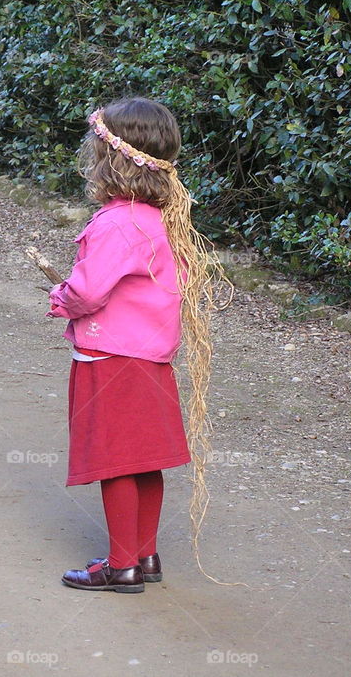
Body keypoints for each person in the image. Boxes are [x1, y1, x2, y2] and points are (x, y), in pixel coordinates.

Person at [48, 97, 225, 593]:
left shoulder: (116, 223)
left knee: (116, 461)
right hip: (151, 358)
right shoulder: (160, 221)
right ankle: (144, 554)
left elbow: (87, 290)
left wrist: (59, 297)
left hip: (111, 359)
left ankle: (120, 564)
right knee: (145, 459)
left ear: (111, 160)